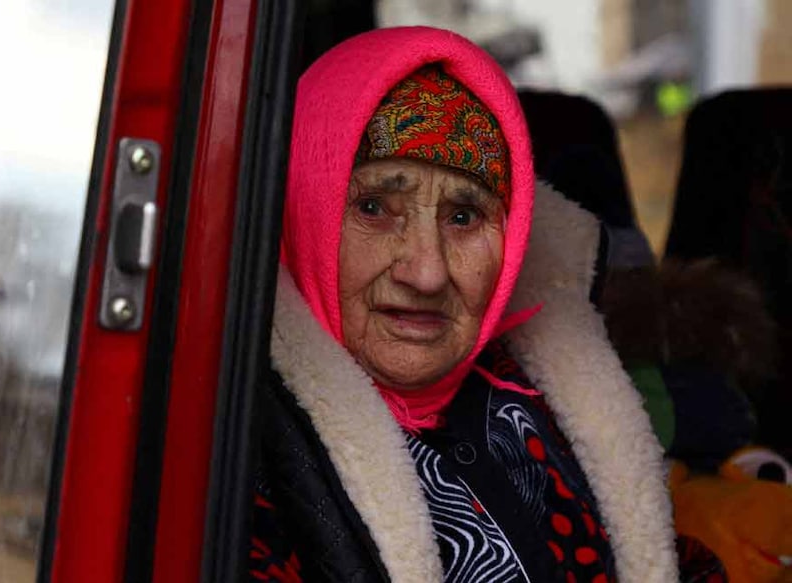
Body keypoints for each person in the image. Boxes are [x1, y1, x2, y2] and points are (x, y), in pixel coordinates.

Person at [248, 27, 681, 582]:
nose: (426, 273)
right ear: (303, 210)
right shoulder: (238, 449)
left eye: (463, 217)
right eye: (375, 207)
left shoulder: (553, 397)